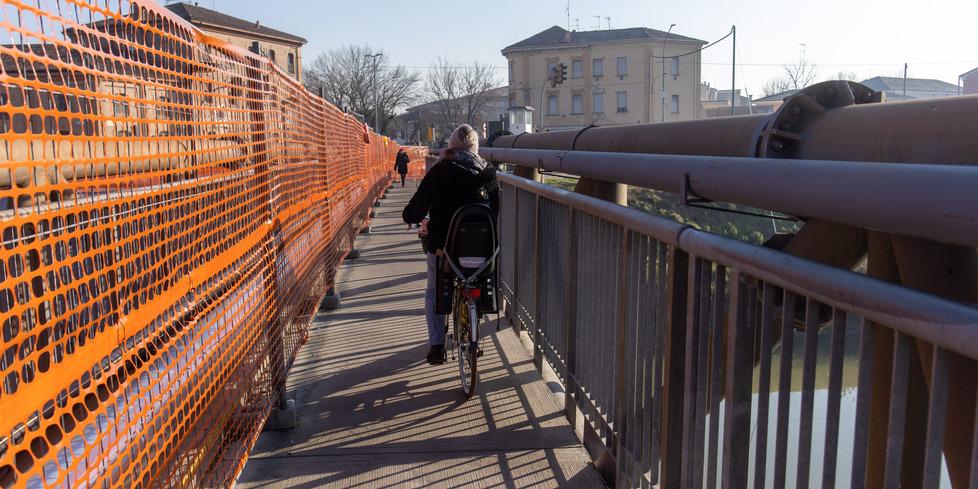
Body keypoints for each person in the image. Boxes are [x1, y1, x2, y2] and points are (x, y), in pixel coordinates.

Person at [402, 124, 499, 365]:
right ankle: (474, 317)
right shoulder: (488, 173)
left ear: (451, 147)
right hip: (482, 248)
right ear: (476, 148)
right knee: (475, 278)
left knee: (434, 290)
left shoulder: (440, 171)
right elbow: (495, 211)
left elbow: (415, 210)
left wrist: (413, 218)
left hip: (443, 248)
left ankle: (437, 346)